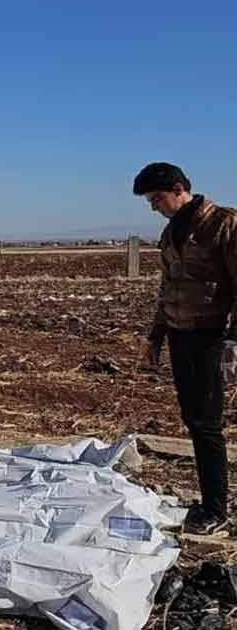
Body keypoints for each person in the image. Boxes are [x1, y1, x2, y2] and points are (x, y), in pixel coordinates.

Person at [134, 162, 237, 534]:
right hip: (181, 337)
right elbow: (168, 290)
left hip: (211, 338)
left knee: (207, 425)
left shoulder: (224, 224)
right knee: (194, 420)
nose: (153, 206)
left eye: (157, 198)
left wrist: (233, 343)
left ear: (179, 189)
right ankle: (209, 501)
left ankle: (215, 510)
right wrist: (155, 337)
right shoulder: (170, 232)